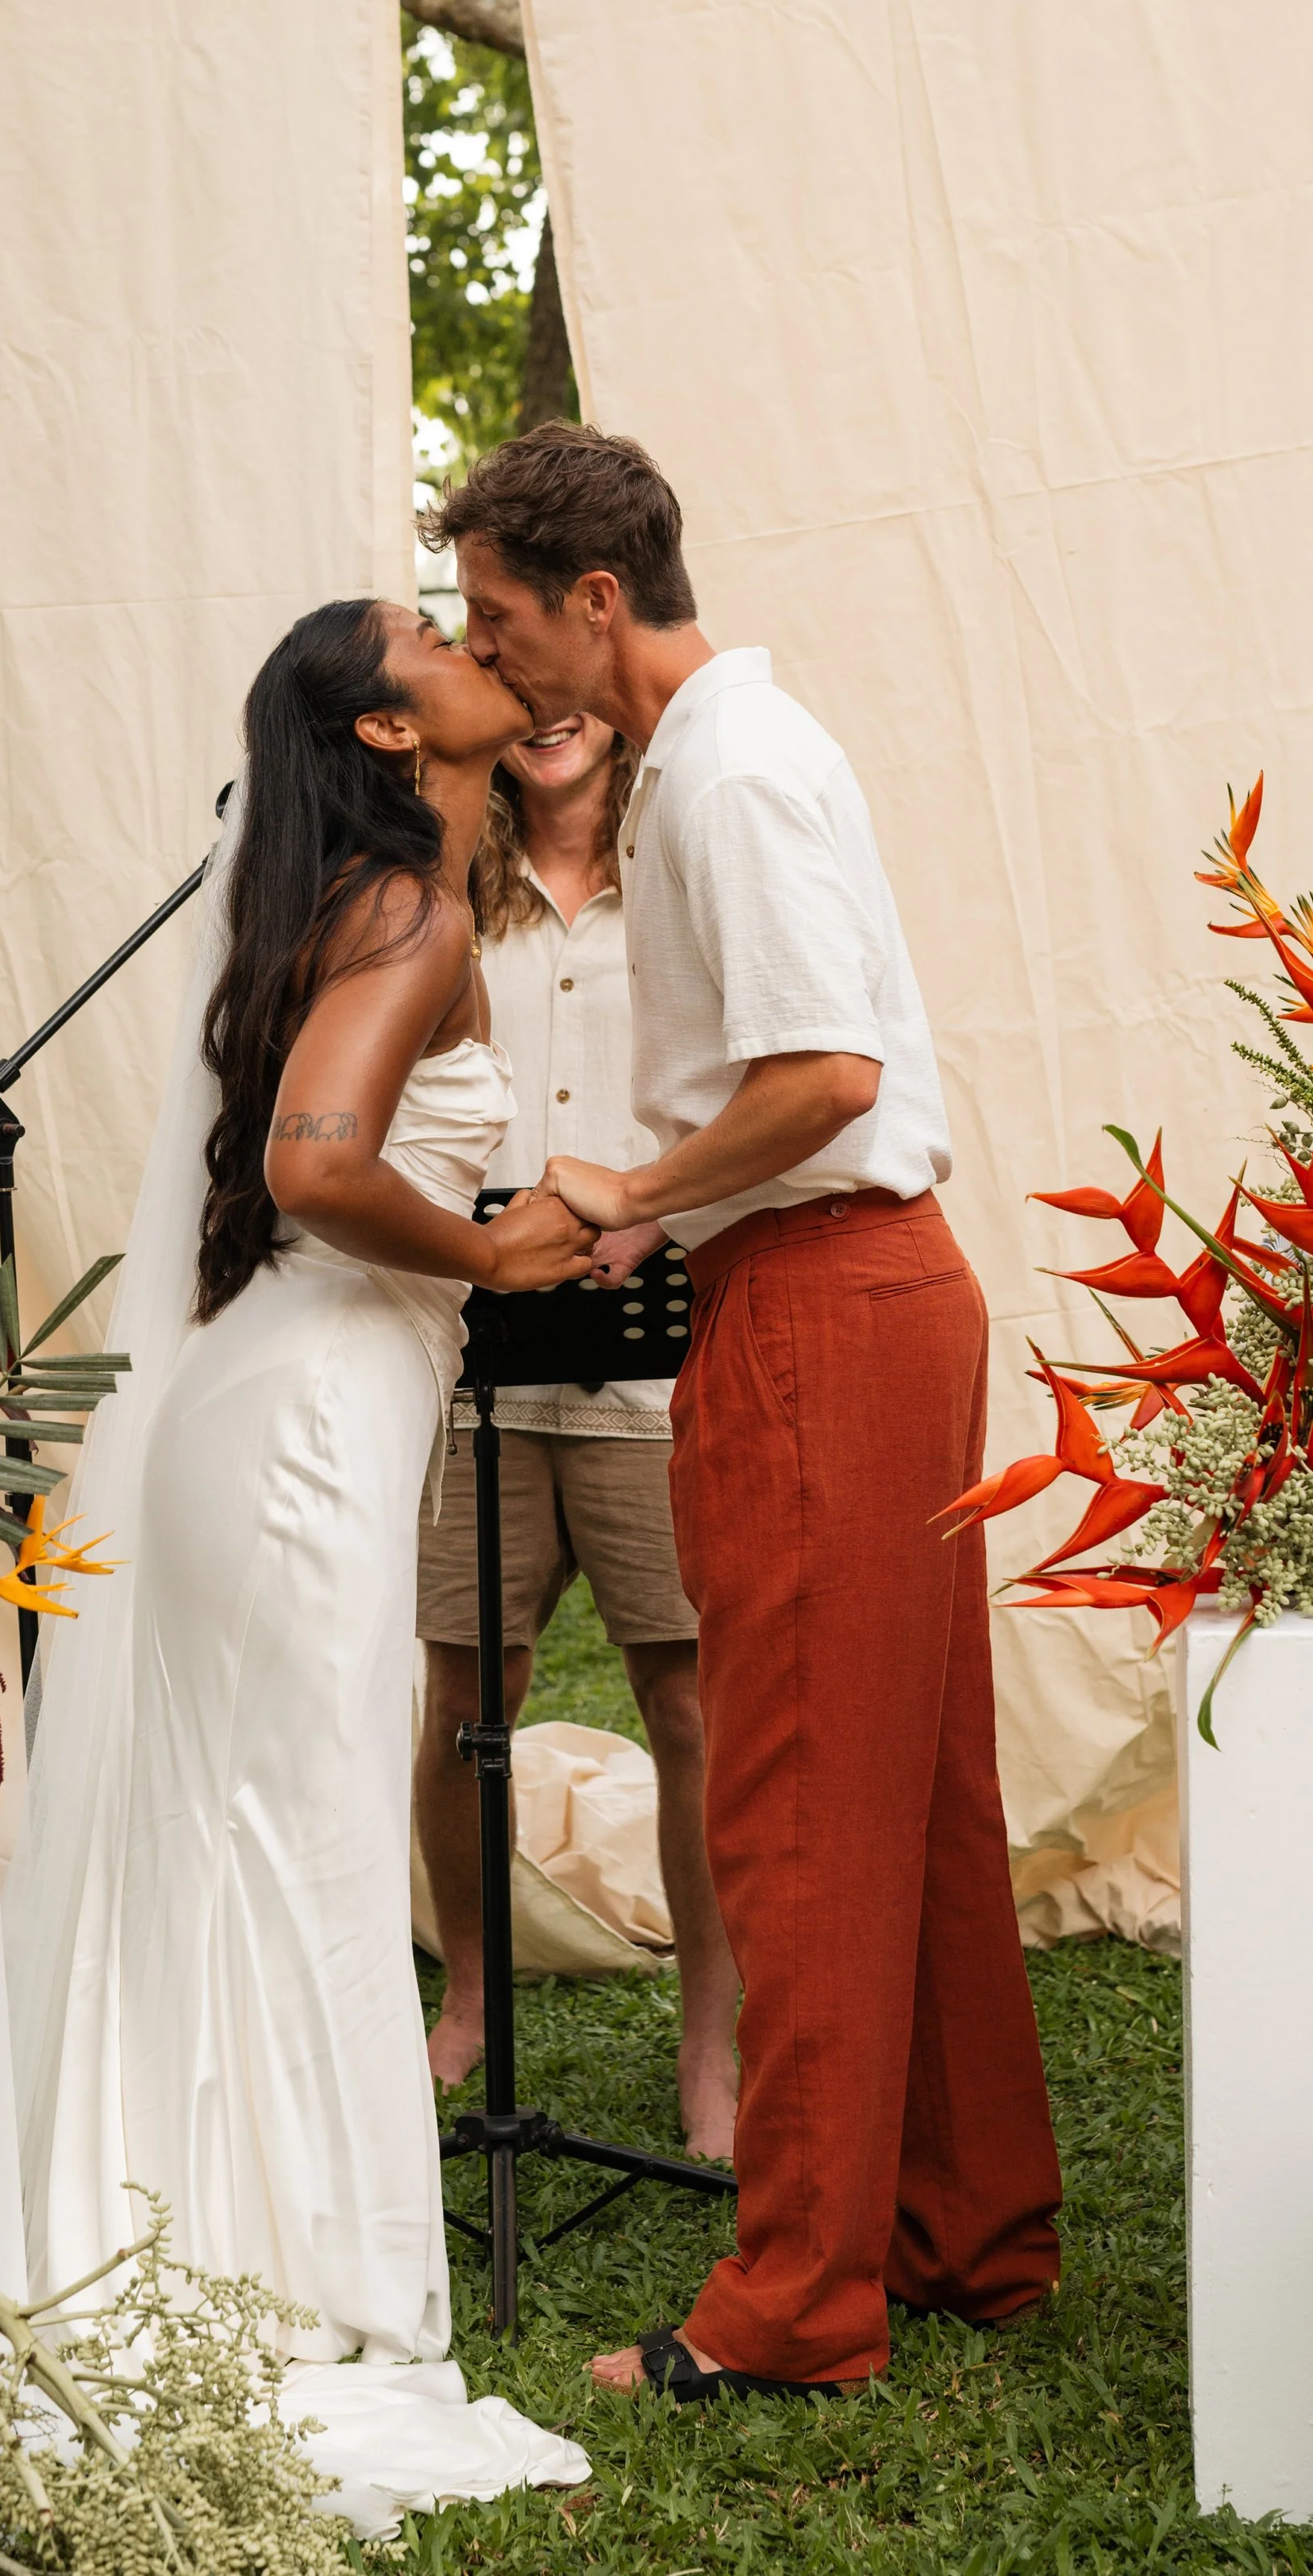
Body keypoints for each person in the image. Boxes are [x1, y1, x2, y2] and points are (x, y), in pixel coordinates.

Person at [423, 423, 1062, 2404]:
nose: (487, 654)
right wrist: (664, 1213)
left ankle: (793, 2307)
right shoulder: (721, 759)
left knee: (791, 1804)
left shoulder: (730, 777)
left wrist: (619, 1189)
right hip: (848, 1291)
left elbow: (821, 1076)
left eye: (501, 617)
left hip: (823, 1305)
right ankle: (970, 2233)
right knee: (917, 1796)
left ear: (595, 603)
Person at [5, 598, 594, 2527]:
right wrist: (498, 1253)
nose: (457, 631)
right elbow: (315, 1165)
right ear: (380, 725)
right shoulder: (407, 915)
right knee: (312, 1833)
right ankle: (313, 2275)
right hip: (304, 1436)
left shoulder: (369, 903)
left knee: (250, 1832)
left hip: (281, 1409)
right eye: (423, 631)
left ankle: (212, 2231)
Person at [412, 706, 741, 2158]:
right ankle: (472, 2003)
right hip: (472, 1363)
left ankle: (714, 2051)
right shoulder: (435, 890)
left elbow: (751, 1093)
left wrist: (649, 1209)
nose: (548, 716)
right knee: (464, 1707)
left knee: (690, 1711)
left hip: (652, 1371)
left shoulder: (683, 866)